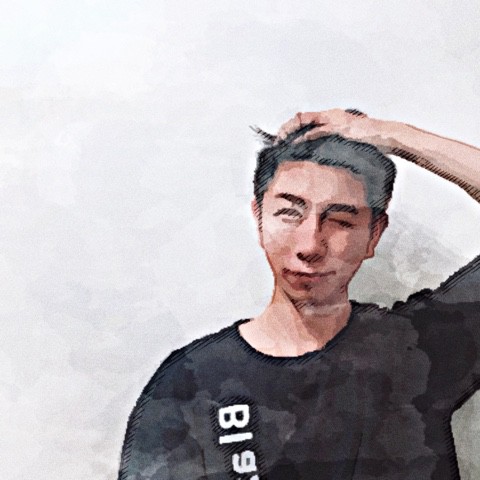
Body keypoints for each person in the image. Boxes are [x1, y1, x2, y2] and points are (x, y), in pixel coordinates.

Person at [117, 109, 480, 480]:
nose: (310, 245)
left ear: (374, 234)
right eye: (289, 213)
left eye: (340, 221)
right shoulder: (190, 383)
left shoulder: (421, 348)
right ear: (259, 218)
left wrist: (393, 135)